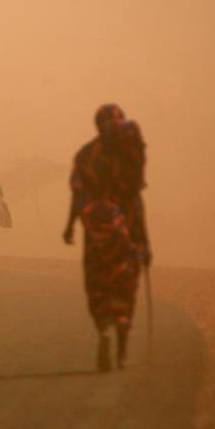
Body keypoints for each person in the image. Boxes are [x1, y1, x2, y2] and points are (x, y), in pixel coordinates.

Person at [63, 103, 151, 371]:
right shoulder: (130, 157)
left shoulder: (86, 155)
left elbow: (78, 197)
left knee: (97, 283)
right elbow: (136, 199)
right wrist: (145, 241)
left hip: (97, 233)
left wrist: (69, 226)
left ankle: (103, 331)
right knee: (125, 285)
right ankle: (122, 347)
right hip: (127, 227)